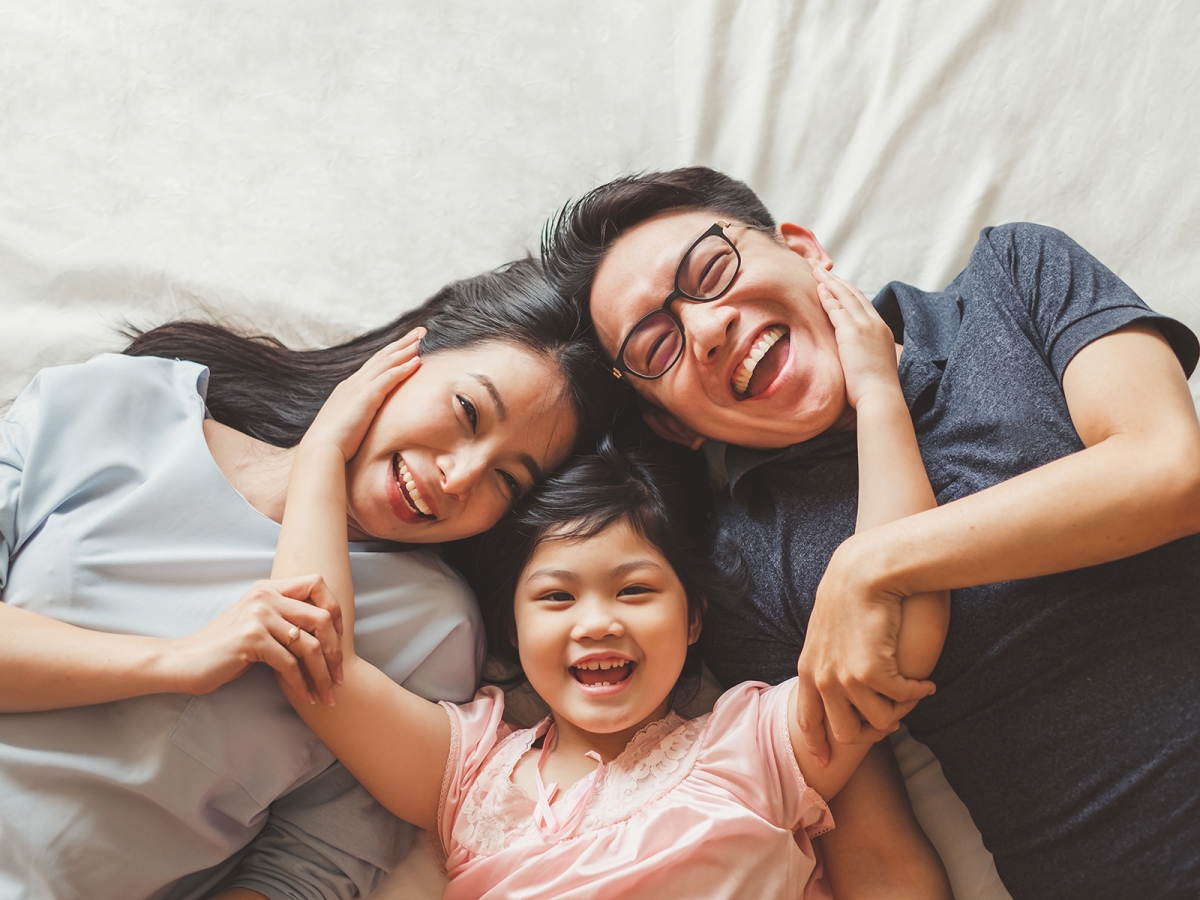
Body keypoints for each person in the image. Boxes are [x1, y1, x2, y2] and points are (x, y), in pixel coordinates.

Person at [539, 167, 1200, 900]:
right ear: (671, 424)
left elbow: (1170, 471)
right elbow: (881, 859)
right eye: (655, 347)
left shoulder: (1014, 277)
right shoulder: (744, 570)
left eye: (710, 270)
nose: (706, 328)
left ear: (804, 251)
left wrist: (872, 565)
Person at [258, 274, 953, 899]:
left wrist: (878, 397)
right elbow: (317, 657)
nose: (597, 623)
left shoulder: (754, 747)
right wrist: (323, 451)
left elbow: (899, 628)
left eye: (635, 592)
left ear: (693, 619)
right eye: (557, 597)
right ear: (510, 630)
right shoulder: (469, 774)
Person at [0, 259, 613, 900]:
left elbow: (309, 869)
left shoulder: (431, 628)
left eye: (508, 480)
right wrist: (174, 662)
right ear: (409, 355)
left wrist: (322, 457)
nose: (459, 477)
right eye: (467, 410)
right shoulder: (121, 403)